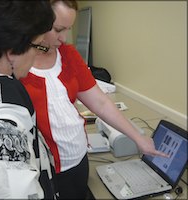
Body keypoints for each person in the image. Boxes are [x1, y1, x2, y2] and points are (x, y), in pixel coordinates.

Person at [21, 0, 169, 199]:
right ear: (38, 21)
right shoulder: (16, 62)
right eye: (58, 29)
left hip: (78, 158)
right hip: (43, 167)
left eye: (68, 29)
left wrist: (138, 137)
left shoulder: (69, 55)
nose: (64, 38)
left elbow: (100, 102)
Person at [0, 1, 59, 199]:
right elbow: (14, 192)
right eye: (36, 47)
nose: (37, 55)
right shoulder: (6, 101)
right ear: (12, 51)